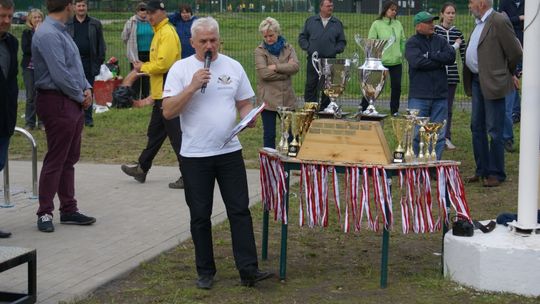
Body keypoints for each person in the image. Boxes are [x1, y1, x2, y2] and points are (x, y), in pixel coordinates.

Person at [162, 17, 273, 289]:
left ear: (219, 40)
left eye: (213, 40)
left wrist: (249, 116)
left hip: (229, 152)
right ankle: (205, 271)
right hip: (195, 155)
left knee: (239, 210)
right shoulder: (180, 69)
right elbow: (168, 111)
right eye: (203, 42)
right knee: (200, 214)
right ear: (192, 43)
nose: (209, 46)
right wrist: (191, 86)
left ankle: (248, 270)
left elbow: (244, 103)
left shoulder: (233, 67)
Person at [32, 0, 96, 232]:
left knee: (69, 158)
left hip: (71, 99)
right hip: (57, 100)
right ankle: (45, 212)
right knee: (57, 158)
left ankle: (68, 208)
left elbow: (75, 67)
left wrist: (87, 87)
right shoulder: (48, 33)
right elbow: (59, 73)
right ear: (68, 5)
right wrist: (80, 95)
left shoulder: (62, 31)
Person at [120, 0, 184, 189]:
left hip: (168, 93)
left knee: (177, 137)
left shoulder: (167, 33)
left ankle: (189, 174)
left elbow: (164, 64)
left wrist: (143, 67)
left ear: (162, 13)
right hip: (160, 93)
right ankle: (142, 168)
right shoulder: (159, 32)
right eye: (147, 13)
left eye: (152, 13)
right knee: (155, 133)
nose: (148, 17)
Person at [463, 0, 522, 187]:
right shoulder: (479, 23)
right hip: (476, 80)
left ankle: (496, 172)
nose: (469, 6)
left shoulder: (498, 20)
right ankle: (482, 170)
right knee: (476, 127)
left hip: (493, 82)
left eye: (471, 2)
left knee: (494, 130)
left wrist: (507, 73)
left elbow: (514, 51)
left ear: (481, 3)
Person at [405, 11, 455, 160]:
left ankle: (433, 165)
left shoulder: (440, 40)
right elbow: (417, 62)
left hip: (440, 95)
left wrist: (431, 55)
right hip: (419, 96)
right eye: (428, 22)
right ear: (418, 26)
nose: (432, 25)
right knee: (416, 134)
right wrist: (439, 60)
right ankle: (414, 166)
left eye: (432, 22)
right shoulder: (412, 43)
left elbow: (451, 56)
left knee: (438, 135)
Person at [255, 17, 299, 149]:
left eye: (271, 35)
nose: (268, 39)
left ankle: (290, 163)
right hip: (268, 100)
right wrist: (286, 70)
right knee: (269, 135)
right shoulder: (259, 51)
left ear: (277, 33)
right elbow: (264, 73)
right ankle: (269, 163)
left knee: (290, 134)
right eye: (265, 36)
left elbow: (296, 67)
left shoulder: (288, 48)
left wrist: (275, 67)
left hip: (287, 99)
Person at [298, 0, 346, 110]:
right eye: (328, 6)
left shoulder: (337, 23)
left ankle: (325, 109)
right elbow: (302, 37)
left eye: (332, 6)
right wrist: (308, 48)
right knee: (311, 85)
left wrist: (335, 50)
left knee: (328, 86)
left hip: (330, 61)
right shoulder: (310, 21)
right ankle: (310, 109)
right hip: (313, 61)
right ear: (321, 7)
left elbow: (342, 42)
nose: (331, 8)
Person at [360, 0, 405, 116]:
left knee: (396, 87)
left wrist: (401, 52)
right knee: (372, 85)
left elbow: (402, 41)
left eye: (395, 10)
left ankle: (394, 111)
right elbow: (371, 41)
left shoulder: (398, 24)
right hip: (380, 62)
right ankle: (364, 107)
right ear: (385, 10)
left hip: (396, 62)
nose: (394, 12)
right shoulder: (377, 24)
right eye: (391, 10)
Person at [66, 0, 106, 127]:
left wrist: (99, 61)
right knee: (73, 89)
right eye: (79, 6)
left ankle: (88, 118)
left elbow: (101, 44)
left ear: (87, 7)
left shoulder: (95, 24)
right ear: (74, 7)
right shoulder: (68, 24)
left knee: (88, 90)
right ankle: (74, 116)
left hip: (89, 62)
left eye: (83, 5)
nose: (81, 8)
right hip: (72, 63)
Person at [434, 2, 466, 150]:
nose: (451, 15)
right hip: (436, 75)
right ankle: (434, 136)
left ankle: (446, 137)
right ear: (442, 14)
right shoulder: (435, 31)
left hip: (451, 75)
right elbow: (439, 53)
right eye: (448, 13)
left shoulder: (457, 33)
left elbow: (465, 55)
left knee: (448, 108)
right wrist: (454, 46)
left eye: (453, 13)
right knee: (435, 107)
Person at [0, 0, 17, 238]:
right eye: (1, 16)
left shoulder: (11, 43)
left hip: (4, 118)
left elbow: (12, 81)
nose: (5, 21)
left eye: (9, 17)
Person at [499, 0, 525, 151]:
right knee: (507, 102)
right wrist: (520, 18)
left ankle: (518, 112)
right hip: (511, 51)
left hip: (525, 45)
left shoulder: (528, 3)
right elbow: (503, 20)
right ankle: (507, 138)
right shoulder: (505, 3)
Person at [121, 2, 152, 101]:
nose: (143, 12)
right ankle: (134, 98)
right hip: (136, 55)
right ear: (137, 11)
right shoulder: (131, 22)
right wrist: (131, 46)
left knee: (147, 77)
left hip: (150, 54)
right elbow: (124, 37)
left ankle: (145, 97)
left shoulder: (151, 21)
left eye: (145, 10)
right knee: (136, 77)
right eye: (141, 10)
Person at [21, 8, 44, 131]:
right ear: (30, 20)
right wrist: (36, 34)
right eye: (34, 17)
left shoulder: (46, 33)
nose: (37, 19)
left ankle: (41, 122)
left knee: (41, 95)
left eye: (39, 17)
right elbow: (27, 49)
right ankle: (30, 122)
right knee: (30, 96)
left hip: (42, 69)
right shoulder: (26, 33)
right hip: (29, 68)